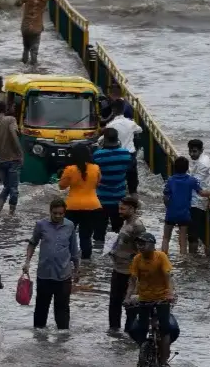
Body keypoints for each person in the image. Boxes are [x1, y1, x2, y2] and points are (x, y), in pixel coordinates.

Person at [22, 198, 80, 330]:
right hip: (44, 274)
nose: (58, 216)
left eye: (61, 213)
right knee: (41, 309)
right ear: (50, 212)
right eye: (55, 213)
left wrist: (77, 270)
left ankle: (63, 337)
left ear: (64, 213)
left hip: (63, 275)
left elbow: (74, 250)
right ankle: (38, 337)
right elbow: (32, 243)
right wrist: (27, 262)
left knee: (62, 310)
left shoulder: (70, 225)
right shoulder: (41, 225)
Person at [125, 232, 176, 365]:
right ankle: (144, 351)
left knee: (165, 329)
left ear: (152, 245)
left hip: (162, 298)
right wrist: (127, 297)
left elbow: (168, 276)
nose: (140, 246)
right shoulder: (137, 259)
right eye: (138, 244)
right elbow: (132, 280)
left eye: (143, 243)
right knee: (140, 328)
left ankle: (164, 360)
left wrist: (170, 294)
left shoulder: (161, 257)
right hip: (144, 298)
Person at [162, 156, 210, 255]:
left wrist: (169, 207)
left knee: (166, 237)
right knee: (183, 239)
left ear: (174, 167)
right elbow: (202, 193)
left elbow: (165, 197)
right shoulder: (191, 180)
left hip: (171, 212)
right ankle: (183, 260)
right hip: (184, 213)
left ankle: (163, 256)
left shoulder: (170, 180)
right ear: (187, 168)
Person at [57, 143, 103, 260]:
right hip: (93, 206)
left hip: (72, 207)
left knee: (67, 234)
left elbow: (61, 186)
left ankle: (68, 259)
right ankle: (87, 263)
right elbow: (97, 184)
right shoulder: (96, 168)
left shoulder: (70, 169)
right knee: (86, 236)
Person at [93, 127, 138, 244]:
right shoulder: (126, 155)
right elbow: (132, 176)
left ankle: (98, 252)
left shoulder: (97, 156)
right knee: (118, 232)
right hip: (119, 200)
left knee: (99, 232)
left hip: (101, 199)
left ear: (104, 139)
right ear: (117, 139)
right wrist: (133, 193)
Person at [108, 195, 145, 333]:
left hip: (130, 272)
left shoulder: (138, 226)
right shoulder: (125, 222)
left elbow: (142, 250)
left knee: (130, 305)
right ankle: (114, 332)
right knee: (114, 302)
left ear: (132, 209)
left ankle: (130, 333)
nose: (119, 211)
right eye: (119, 208)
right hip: (118, 269)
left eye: (123, 209)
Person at [15, 0, 56, 65]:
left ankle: (23, 66)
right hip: (36, 27)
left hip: (25, 27)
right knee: (34, 50)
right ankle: (33, 69)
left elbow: (17, 4)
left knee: (26, 48)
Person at [186, 139, 210, 253]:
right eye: (190, 151)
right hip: (195, 199)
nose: (191, 154)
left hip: (197, 202)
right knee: (194, 232)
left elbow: (195, 183)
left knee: (192, 234)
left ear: (201, 150)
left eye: (194, 151)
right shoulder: (202, 159)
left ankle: (193, 256)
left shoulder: (202, 164)